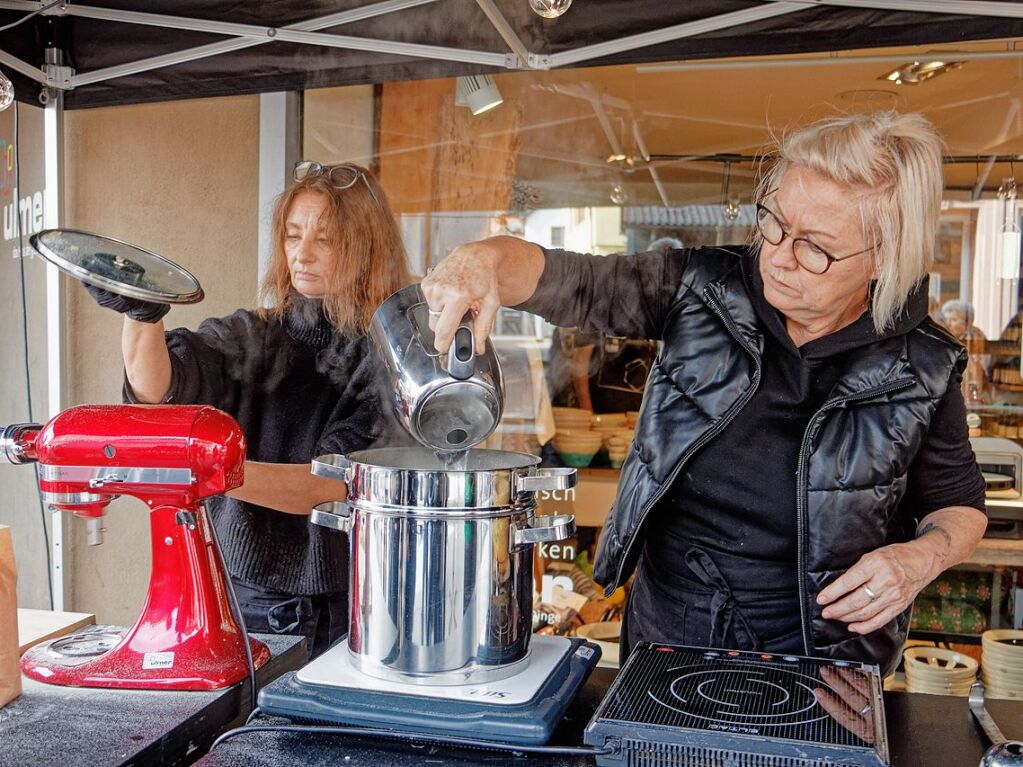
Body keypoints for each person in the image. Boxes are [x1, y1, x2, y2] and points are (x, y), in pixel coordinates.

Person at [421, 112, 987, 675]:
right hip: (671, 624)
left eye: (816, 248)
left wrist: (918, 559)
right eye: (774, 223)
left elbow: (960, 506)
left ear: (883, 259)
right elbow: (573, 282)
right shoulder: (701, 289)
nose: (779, 257)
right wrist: (487, 259)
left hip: (824, 657)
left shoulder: (925, 365)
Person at [84, 161, 412, 657]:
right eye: (293, 235)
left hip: (350, 601)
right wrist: (142, 313)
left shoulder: (390, 357)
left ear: (367, 247)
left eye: (325, 239)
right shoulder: (253, 334)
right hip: (240, 589)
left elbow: (333, 486)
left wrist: (206, 471)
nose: (302, 254)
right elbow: (156, 392)